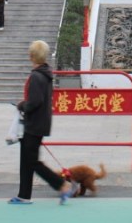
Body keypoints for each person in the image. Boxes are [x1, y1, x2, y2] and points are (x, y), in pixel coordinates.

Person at [9, 40, 79, 205]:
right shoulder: (46, 73)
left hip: (34, 123)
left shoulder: (36, 76)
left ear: (32, 56)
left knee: (31, 161)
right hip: (41, 122)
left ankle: (63, 185)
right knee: (26, 160)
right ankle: (24, 195)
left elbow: (34, 101)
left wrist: (21, 105)